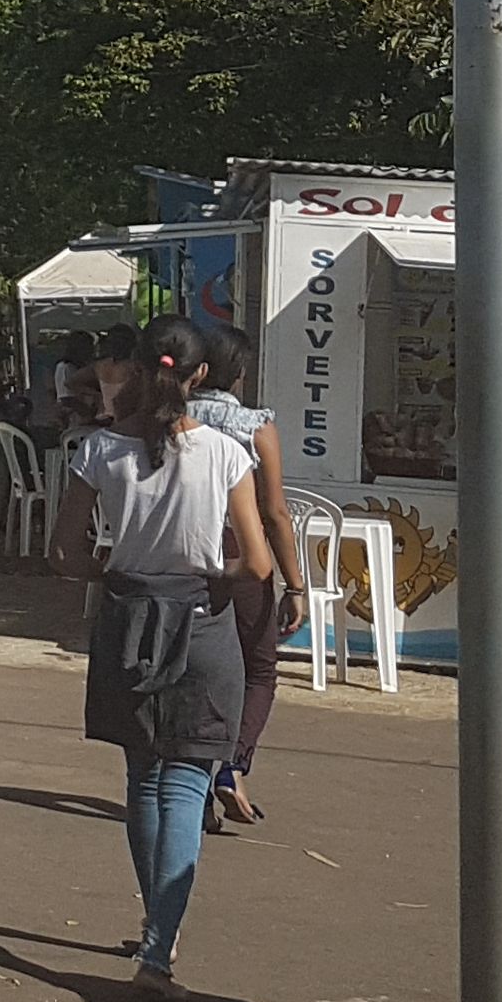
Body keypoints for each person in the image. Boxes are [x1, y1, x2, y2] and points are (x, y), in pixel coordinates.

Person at [51, 332, 275, 1002]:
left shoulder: (99, 451)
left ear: (135, 372)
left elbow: (65, 553)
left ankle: (158, 928)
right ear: (201, 375)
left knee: (144, 777)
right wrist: (211, 572)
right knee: (185, 783)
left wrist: (116, 572)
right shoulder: (226, 452)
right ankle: (158, 948)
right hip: (201, 626)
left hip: (128, 621)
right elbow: (256, 563)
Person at [176, 325, 298, 826]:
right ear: (239, 373)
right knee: (259, 668)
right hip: (242, 552)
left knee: (192, 669)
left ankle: (194, 786)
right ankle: (232, 764)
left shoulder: (172, 419)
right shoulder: (254, 426)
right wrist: (296, 585)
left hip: (184, 550)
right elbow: (275, 512)